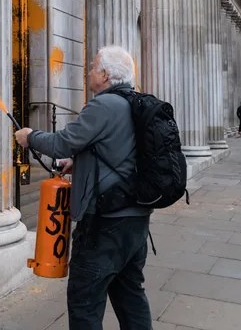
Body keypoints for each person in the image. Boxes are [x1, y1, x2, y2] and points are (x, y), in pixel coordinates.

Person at [14, 46, 152, 330]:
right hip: (136, 221)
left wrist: (31, 136)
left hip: (104, 223)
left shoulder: (103, 105)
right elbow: (120, 152)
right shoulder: (135, 102)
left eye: (93, 66)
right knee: (131, 298)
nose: (89, 71)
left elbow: (63, 142)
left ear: (104, 74)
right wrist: (78, 165)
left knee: (84, 303)